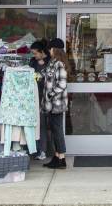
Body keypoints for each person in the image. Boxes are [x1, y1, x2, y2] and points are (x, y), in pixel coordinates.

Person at [42, 38, 69, 170]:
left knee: (57, 130)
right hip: (51, 104)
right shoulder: (52, 63)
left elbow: (62, 84)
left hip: (56, 103)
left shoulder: (59, 64)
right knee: (53, 129)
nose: (49, 50)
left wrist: (50, 94)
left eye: (50, 48)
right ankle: (57, 156)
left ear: (55, 49)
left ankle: (62, 158)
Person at [29, 39, 50, 161]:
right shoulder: (32, 62)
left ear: (42, 52)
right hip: (33, 97)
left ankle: (44, 150)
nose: (34, 55)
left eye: (36, 53)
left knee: (44, 124)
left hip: (46, 97)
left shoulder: (50, 62)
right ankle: (35, 150)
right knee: (36, 123)